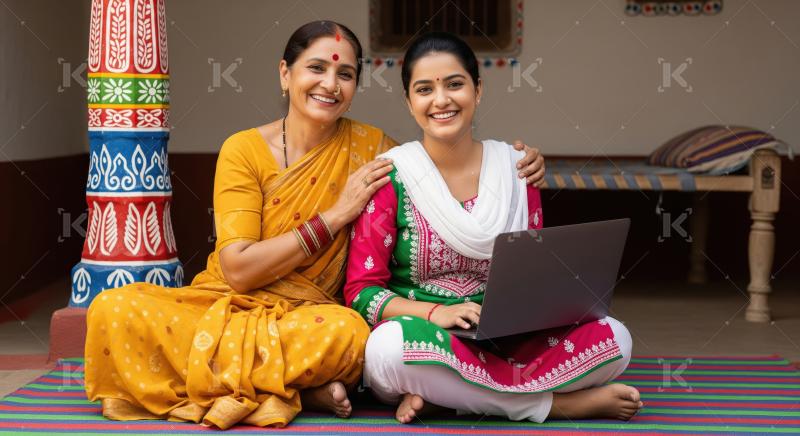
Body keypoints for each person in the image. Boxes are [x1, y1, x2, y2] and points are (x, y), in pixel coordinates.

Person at [84, 21, 548, 429]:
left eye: (345, 74)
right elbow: (239, 269)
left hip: (314, 318)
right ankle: (302, 391)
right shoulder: (243, 150)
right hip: (225, 303)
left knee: (349, 336)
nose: (330, 84)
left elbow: (440, 165)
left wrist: (513, 165)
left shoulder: (376, 151)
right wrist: (334, 216)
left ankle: (278, 385)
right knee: (113, 310)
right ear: (285, 74)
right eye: (316, 69)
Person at [345, 32, 643, 424]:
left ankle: (450, 398)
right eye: (424, 89)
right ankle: (553, 405)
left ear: (478, 89)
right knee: (385, 350)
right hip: (428, 336)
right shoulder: (391, 176)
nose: (441, 100)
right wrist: (436, 314)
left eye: (455, 84)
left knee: (617, 338)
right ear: (409, 101)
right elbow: (360, 293)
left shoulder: (516, 169)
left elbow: (537, 272)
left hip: (510, 340)